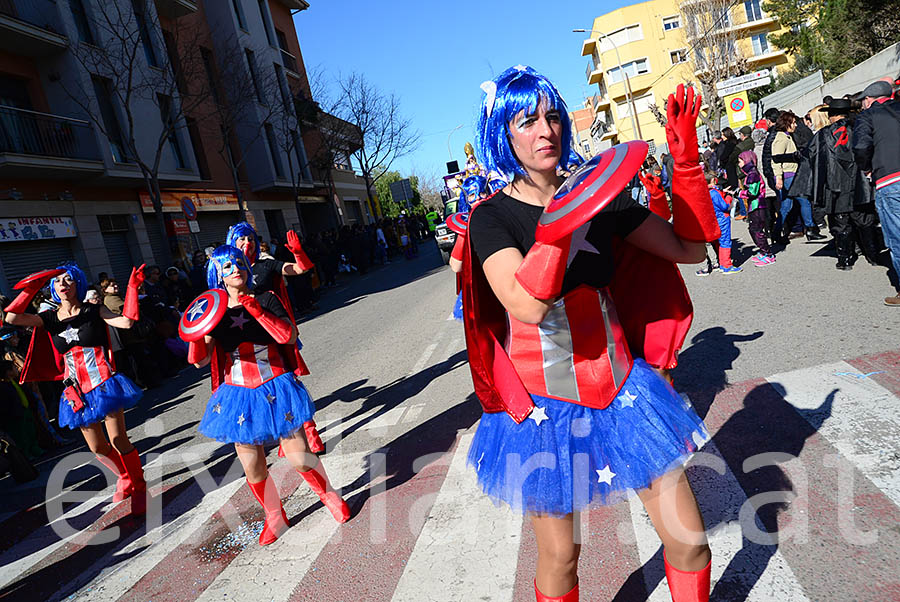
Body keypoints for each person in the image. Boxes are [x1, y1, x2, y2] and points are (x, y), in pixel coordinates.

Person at [461, 66, 714, 601]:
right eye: (527, 121)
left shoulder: (603, 197)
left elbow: (688, 249)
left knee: (689, 540)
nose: (546, 130)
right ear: (502, 134)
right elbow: (525, 305)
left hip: (626, 392)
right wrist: (564, 217)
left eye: (552, 117)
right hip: (543, 408)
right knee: (561, 556)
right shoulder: (492, 219)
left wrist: (686, 166)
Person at [185, 245, 350, 545]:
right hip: (237, 395)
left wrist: (257, 310)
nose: (235, 269)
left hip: (276, 384)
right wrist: (196, 330)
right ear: (218, 276)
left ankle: (328, 496)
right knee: (253, 466)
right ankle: (274, 515)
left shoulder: (266, 297)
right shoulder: (215, 312)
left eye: (238, 263)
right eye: (227, 267)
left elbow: (289, 336)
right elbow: (199, 360)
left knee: (300, 458)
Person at [5, 263, 148, 515]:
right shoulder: (48, 318)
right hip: (76, 391)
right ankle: (125, 476)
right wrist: (31, 287)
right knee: (97, 447)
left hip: (104, 382)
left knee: (117, 439)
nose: (63, 284)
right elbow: (12, 317)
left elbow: (126, 322)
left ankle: (139, 486)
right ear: (53, 287)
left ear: (78, 284)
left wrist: (133, 287)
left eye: (69, 279)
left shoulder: (94, 310)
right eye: (58, 281)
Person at [226, 222, 323, 453]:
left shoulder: (266, 265)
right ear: (232, 241)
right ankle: (285, 434)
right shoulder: (224, 269)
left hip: (274, 333)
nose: (247, 243)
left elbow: (301, 269)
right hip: (243, 341)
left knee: (288, 384)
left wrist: (298, 253)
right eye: (241, 239)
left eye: (251, 239)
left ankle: (310, 435)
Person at [852, 79, 900, 305]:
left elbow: (861, 147)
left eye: (863, 101)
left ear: (869, 100)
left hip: (889, 180)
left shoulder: (867, 116)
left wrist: (868, 168)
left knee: (897, 237)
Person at [771, 111, 822, 243]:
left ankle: (776, 233)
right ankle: (810, 229)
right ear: (787, 123)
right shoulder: (781, 138)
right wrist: (779, 177)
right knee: (803, 200)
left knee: (786, 206)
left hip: (789, 175)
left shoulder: (786, 137)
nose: (795, 125)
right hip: (789, 175)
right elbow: (775, 159)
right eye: (793, 123)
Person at [738, 150, 775, 266]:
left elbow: (753, 192)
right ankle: (764, 251)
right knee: (753, 229)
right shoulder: (750, 174)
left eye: (740, 161)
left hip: (757, 206)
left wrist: (739, 193)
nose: (739, 164)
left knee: (757, 230)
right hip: (754, 206)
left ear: (746, 161)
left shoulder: (752, 174)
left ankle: (768, 254)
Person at [725, 125, 755, 218]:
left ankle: (747, 213)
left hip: (742, 171)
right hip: (754, 168)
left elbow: (731, 158)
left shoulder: (740, 146)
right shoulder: (753, 142)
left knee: (744, 192)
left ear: (743, 135)